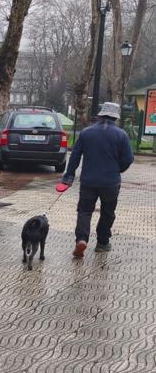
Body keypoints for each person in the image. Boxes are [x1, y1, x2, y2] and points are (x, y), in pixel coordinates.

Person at [61, 102, 134, 257]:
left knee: (84, 210)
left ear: (101, 115)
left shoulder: (86, 132)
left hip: (89, 180)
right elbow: (128, 158)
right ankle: (102, 242)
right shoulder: (121, 135)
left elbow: (75, 156)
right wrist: (118, 169)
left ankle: (81, 239)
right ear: (116, 117)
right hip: (111, 182)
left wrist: (69, 176)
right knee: (108, 212)